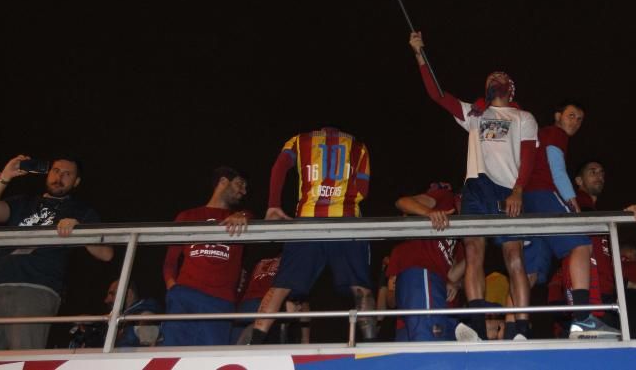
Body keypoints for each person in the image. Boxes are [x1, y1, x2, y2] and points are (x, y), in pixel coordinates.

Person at [409, 31, 536, 341]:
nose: (494, 77)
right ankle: (477, 324)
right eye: (490, 76)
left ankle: (521, 328)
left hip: (507, 189)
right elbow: (438, 95)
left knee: (514, 257)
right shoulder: (475, 115)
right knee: (474, 253)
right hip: (475, 189)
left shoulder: (523, 117)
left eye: (501, 75)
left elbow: (530, 157)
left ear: (510, 87)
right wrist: (419, 54)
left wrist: (519, 190)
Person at [0, 155, 114, 351]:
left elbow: (106, 254)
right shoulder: (23, 202)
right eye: (55, 171)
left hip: (37, 289)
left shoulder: (81, 210)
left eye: (67, 174)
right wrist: (5, 176)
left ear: (76, 182)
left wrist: (80, 230)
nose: (59, 176)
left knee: (24, 354)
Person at [244, 127, 373, 344]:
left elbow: (279, 167)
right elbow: (363, 189)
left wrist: (274, 204)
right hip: (347, 221)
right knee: (360, 287)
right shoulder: (359, 147)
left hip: (307, 221)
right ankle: (370, 345)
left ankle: (255, 343)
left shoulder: (298, 140)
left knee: (281, 286)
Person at [521, 101, 610, 338]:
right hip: (544, 194)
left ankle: (514, 328)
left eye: (580, 119)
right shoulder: (555, 133)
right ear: (557, 116)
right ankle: (583, 319)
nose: (575, 122)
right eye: (571, 116)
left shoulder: (539, 135)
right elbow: (557, 169)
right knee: (582, 245)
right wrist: (573, 203)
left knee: (528, 272)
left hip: (528, 202)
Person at [161, 166, 251, 346]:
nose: (243, 191)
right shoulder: (187, 216)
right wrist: (174, 288)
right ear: (223, 182)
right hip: (185, 295)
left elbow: (256, 218)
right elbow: (170, 262)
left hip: (219, 302)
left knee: (210, 359)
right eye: (240, 184)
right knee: (173, 356)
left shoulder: (244, 218)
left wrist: (244, 215)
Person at [570, 161, 636, 338]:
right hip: (590, 296)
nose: (599, 176)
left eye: (601, 172)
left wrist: (630, 284)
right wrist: (624, 214)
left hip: (606, 294)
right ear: (579, 180)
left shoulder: (597, 214)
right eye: (592, 172)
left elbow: (604, 261)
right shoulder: (577, 204)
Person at [388, 182, 465, 341]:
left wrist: (456, 283)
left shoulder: (463, 240)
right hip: (422, 277)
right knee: (428, 347)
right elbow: (402, 202)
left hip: (443, 303)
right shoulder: (447, 198)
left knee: (419, 358)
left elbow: (456, 275)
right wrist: (430, 212)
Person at [70, 279, 162, 348]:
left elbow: (149, 335)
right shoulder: (112, 320)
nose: (106, 300)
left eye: (112, 294)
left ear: (129, 293)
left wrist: (144, 327)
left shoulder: (145, 306)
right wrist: (93, 322)